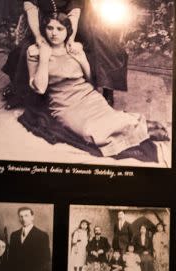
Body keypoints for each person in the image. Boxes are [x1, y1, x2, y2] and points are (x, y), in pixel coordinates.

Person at [23, 13, 168, 162]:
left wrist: (81, 58)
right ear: (44, 29)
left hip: (87, 95)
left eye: (60, 29)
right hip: (63, 105)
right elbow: (40, 88)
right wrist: (45, 59)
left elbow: (90, 80)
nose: (54, 33)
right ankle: (143, 129)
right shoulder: (35, 52)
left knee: (108, 118)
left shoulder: (75, 48)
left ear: (68, 31)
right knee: (88, 131)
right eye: (50, 28)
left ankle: (139, 127)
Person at [7, 206, 51, 271]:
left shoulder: (42, 236)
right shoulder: (14, 235)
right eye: (21, 216)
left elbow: (45, 261)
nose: (23, 219)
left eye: (26, 215)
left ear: (32, 217)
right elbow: (11, 259)